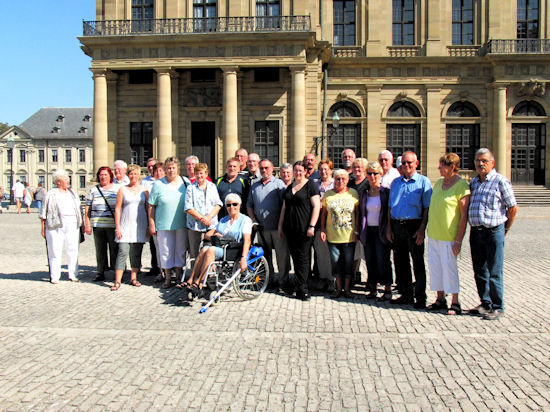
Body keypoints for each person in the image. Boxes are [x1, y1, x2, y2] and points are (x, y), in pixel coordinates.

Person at [467, 148, 518, 320]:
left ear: (492, 163)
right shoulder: (474, 182)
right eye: (478, 160)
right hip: (476, 232)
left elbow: (513, 208)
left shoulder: (500, 181)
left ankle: (498, 306)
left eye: (484, 161)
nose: (480, 164)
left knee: (494, 270)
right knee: (479, 270)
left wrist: (505, 229)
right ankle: (485, 303)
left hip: (493, 231)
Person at [426, 153, 470, 315]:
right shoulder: (438, 183)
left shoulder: (462, 186)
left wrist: (458, 240)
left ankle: (455, 302)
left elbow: (463, 216)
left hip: (449, 236)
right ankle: (440, 299)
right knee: (436, 268)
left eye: (442, 166)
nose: (438, 168)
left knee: (449, 268)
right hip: (434, 233)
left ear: (452, 167)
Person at [387, 151, 432, 308]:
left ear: (416, 164)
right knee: (401, 262)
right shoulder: (395, 183)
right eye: (404, 163)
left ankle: (420, 297)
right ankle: (406, 294)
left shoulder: (423, 182)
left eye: (409, 163)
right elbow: (390, 207)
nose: (406, 165)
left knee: (417, 262)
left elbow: (427, 208)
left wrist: (422, 228)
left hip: (414, 225)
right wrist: (389, 228)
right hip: (397, 225)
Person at [185, 193, 252, 293]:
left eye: (234, 204)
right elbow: (208, 235)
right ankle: (191, 279)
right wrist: (216, 235)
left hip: (233, 249)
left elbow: (247, 240)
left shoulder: (245, 220)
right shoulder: (224, 220)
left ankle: (200, 282)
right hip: (221, 248)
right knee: (204, 249)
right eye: (228, 205)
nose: (231, 207)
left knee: (211, 250)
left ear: (240, 205)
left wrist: (244, 258)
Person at [278, 161, 321, 301]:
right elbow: (284, 209)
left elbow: (316, 206)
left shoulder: (311, 186)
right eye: (295, 170)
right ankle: (299, 283)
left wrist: (312, 226)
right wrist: (280, 227)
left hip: (304, 228)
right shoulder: (290, 187)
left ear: (305, 172)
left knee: (303, 258)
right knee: (295, 258)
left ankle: (303, 289)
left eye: (300, 170)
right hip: (290, 229)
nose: (298, 173)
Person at [247, 159, 290, 288]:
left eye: (266, 168)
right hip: (262, 228)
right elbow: (249, 205)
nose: (264, 170)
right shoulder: (254, 186)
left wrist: (282, 225)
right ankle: (269, 279)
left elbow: (285, 205)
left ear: (272, 169)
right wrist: (253, 220)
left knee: (281, 255)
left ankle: (283, 280)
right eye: (261, 168)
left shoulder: (279, 184)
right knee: (265, 255)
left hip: (277, 228)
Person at [148, 157, 189, 289]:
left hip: (182, 223)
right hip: (163, 224)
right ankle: (167, 278)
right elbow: (151, 206)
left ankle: (178, 276)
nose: (171, 170)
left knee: (180, 250)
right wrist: (152, 223)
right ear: (165, 169)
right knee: (165, 251)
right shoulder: (158, 184)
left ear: (178, 168)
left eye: (173, 167)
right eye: (168, 168)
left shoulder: (185, 182)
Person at [320, 169, 359, 298]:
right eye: (338, 179)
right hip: (333, 235)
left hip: (349, 235)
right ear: (334, 180)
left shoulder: (353, 193)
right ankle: (338, 288)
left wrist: (357, 231)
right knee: (335, 263)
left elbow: (357, 214)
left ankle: (347, 288)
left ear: (347, 180)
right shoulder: (328, 194)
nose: (340, 181)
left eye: (343, 179)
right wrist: (322, 230)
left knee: (348, 263)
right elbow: (324, 214)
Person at [40, 169, 83, 283]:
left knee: (73, 249)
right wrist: (43, 227)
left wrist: (81, 223)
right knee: (55, 250)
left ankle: (73, 274)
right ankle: (54, 276)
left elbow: (78, 208)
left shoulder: (72, 193)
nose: (68, 180)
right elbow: (44, 211)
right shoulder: (51, 193)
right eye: (65, 178)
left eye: (68, 178)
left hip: (72, 224)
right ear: (58, 181)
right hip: (55, 225)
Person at [112, 164, 149, 291]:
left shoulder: (144, 190)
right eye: (131, 174)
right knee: (122, 251)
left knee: (136, 252)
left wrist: (148, 226)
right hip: (125, 224)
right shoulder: (122, 189)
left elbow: (148, 209)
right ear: (128, 175)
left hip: (140, 225)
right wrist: (117, 227)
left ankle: (134, 277)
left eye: (135, 174)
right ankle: (117, 280)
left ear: (139, 175)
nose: (133, 176)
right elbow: (117, 209)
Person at [359, 161, 393, 301]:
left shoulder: (386, 192)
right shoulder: (364, 193)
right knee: (370, 259)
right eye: (370, 173)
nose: (373, 176)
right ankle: (372, 287)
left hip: (381, 229)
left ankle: (387, 288)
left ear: (381, 174)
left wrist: (389, 229)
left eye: (375, 173)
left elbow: (389, 212)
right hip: (368, 230)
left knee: (383, 259)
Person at [85, 167, 120, 282]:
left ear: (110, 176)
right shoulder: (94, 190)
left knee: (114, 249)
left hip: (112, 224)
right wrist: (87, 223)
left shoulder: (117, 188)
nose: (103, 177)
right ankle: (101, 272)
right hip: (98, 224)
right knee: (100, 250)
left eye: (105, 175)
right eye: (101, 175)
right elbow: (88, 207)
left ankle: (116, 272)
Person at [185, 162, 222, 263]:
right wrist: (202, 219)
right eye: (197, 173)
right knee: (194, 253)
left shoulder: (212, 186)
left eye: (201, 173)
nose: (199, 176)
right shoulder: (190, 188)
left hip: (211, 225)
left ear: (206, 174)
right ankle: (195, 271)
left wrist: (209, 217)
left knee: (210, 252)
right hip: (195, 226)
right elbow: (188, 208)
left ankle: (208, 272)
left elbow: (218, 204)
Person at [312, 159, 335, 290]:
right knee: (321, 252)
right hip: (317, 221)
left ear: (331, 170)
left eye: (326, 169)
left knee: (332, 252)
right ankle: (323, 277)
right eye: (321, 169)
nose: (323, 172)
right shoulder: (314, 184)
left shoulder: (336, 183)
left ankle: (332, 279)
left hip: (332, 222)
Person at [140, 157, 161, 277]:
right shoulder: (145, 181)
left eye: (153, 166)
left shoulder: (164, 180)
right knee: (153, 244)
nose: (151, 168)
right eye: (149, 167)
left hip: (161, 214)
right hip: (150, 213)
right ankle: (155, 267)